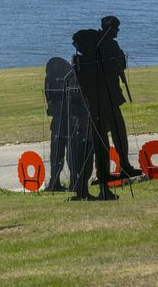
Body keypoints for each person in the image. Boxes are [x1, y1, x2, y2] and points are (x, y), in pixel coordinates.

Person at [71, 28, 117, 201]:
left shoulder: (81, 61)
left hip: (90, 112)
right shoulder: (87, 62)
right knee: (95, 153)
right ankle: (94, 189)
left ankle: (87, 189)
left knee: (92, 153)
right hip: (93, 112)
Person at [96, 16, 140, 179]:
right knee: (118, 132)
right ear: (109, 28)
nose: (118, 31)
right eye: (115, 28)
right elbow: (120, 64)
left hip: (99, 96)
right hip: (109, 96)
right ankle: (124, 166)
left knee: (103, 134)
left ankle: (103, 171)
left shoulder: (96, 43)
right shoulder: (110, 44)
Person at [43, 56, 84, 193]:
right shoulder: (66, 76)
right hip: (64, 120)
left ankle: (64, 181)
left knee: (64, 152)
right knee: (61, 152)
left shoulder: (67, 78)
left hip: (66, 120)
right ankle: (62, 181)